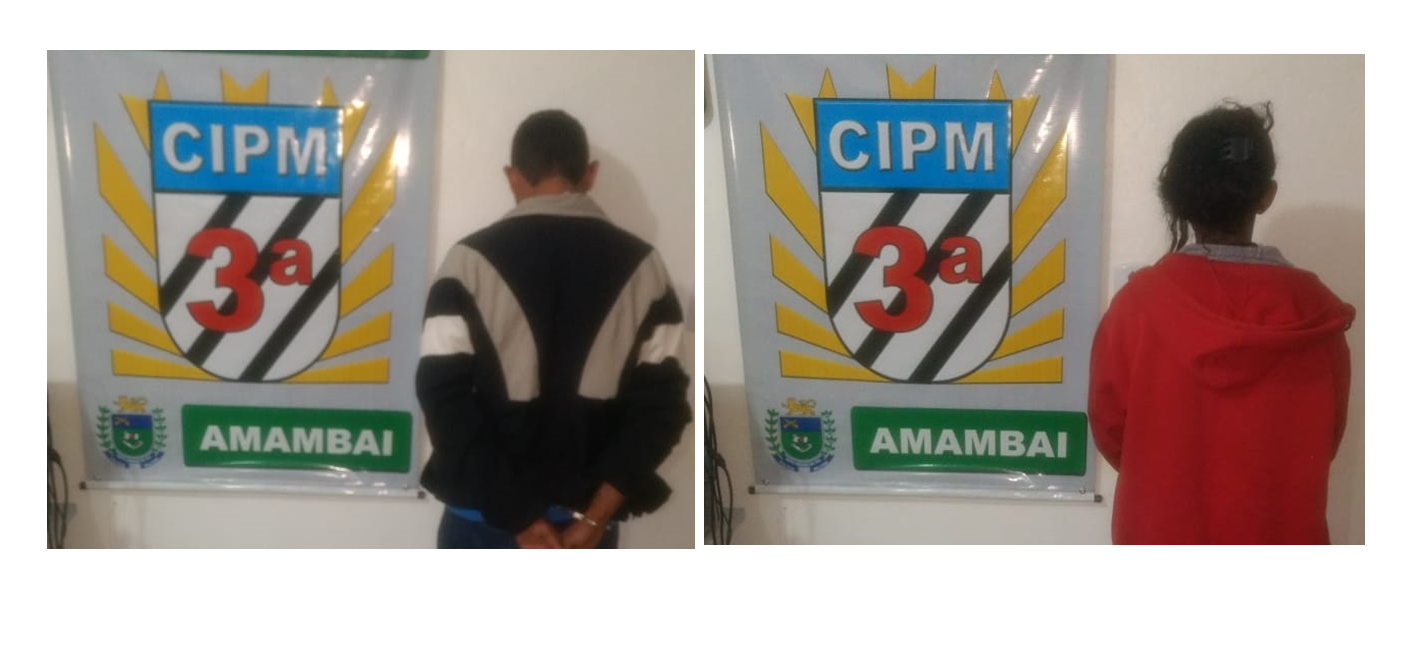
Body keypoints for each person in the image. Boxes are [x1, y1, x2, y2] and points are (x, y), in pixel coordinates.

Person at [416, 109, 691, 548]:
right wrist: (595, 519)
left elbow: (442, 402)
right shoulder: (646, 268)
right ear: (591, 174)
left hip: (482, 521)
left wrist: (518, 519)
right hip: (583, 526)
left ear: (512, 177)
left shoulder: (466, 263)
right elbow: (662, 410)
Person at [1088, 102, 1354, 544]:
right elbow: (1325, 440)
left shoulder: (1138, 307)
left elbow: (1112, 431)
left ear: (1177, 197)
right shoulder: (1317, 315)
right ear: (1267, 195)